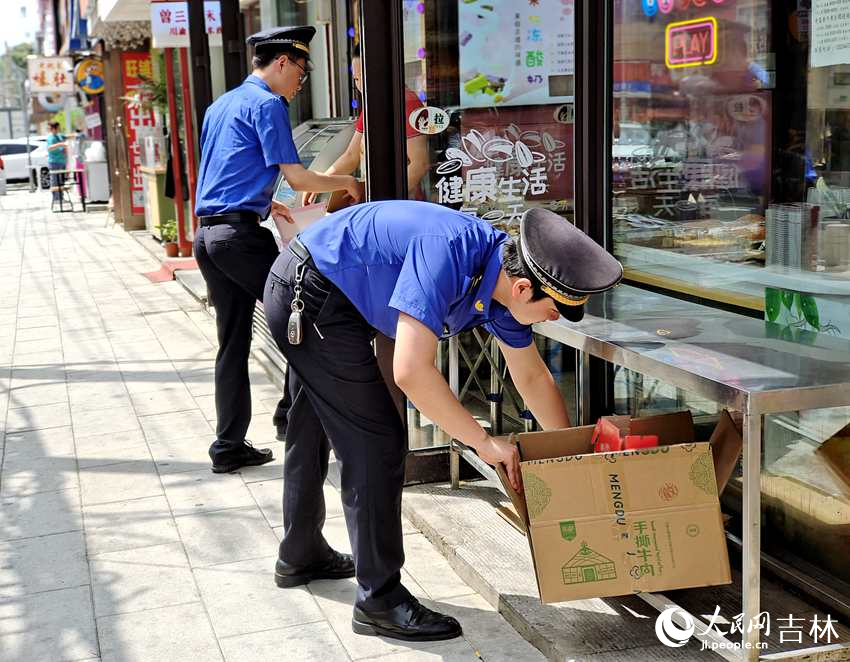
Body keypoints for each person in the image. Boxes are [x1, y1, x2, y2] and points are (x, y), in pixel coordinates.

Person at [264, 201, 622, 640]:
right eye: (555, 310)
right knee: (376, 442)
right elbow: (411, 372)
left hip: (335, 296)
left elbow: (531, 375)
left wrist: (569, 460)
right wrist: (484, 443)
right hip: (312, 296)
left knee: (313, 420)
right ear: (525, 289)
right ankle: (380, 600)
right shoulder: (448, 253)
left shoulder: (502, 284)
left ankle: (301, 553)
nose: (554, 319)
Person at [194, 26, 363, 475]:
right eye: (302, 73)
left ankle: (228, 445)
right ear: (283, 62)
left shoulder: (221, 104)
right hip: (240, 238)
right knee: (302, 320)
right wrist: (347, 182)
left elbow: (222, 167)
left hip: (209, 237)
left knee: (233, 341)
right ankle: (292, 422)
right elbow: (300, 178)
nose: (300, 83)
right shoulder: (268, 103)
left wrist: (256, 196)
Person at [304, 45, 430, 204]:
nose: (361, 85)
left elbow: (420, 164)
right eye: (356, 79)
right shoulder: (373, 105)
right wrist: (321, 182)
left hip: (403, 204)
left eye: (364, 76)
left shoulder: (406, 102)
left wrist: (383, 202)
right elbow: (351, 155)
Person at [46, 122, 67, 204]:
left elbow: (66, 137)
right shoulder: (51, 138)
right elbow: (50, 148)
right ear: (54, 129)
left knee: (61, 181)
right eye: (58, 128)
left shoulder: (57, 136)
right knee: (55, 181)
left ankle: (60, 198)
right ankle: (57, 199)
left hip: (60, 162)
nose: (59, 129)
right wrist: (60, 144)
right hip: (55, 162)